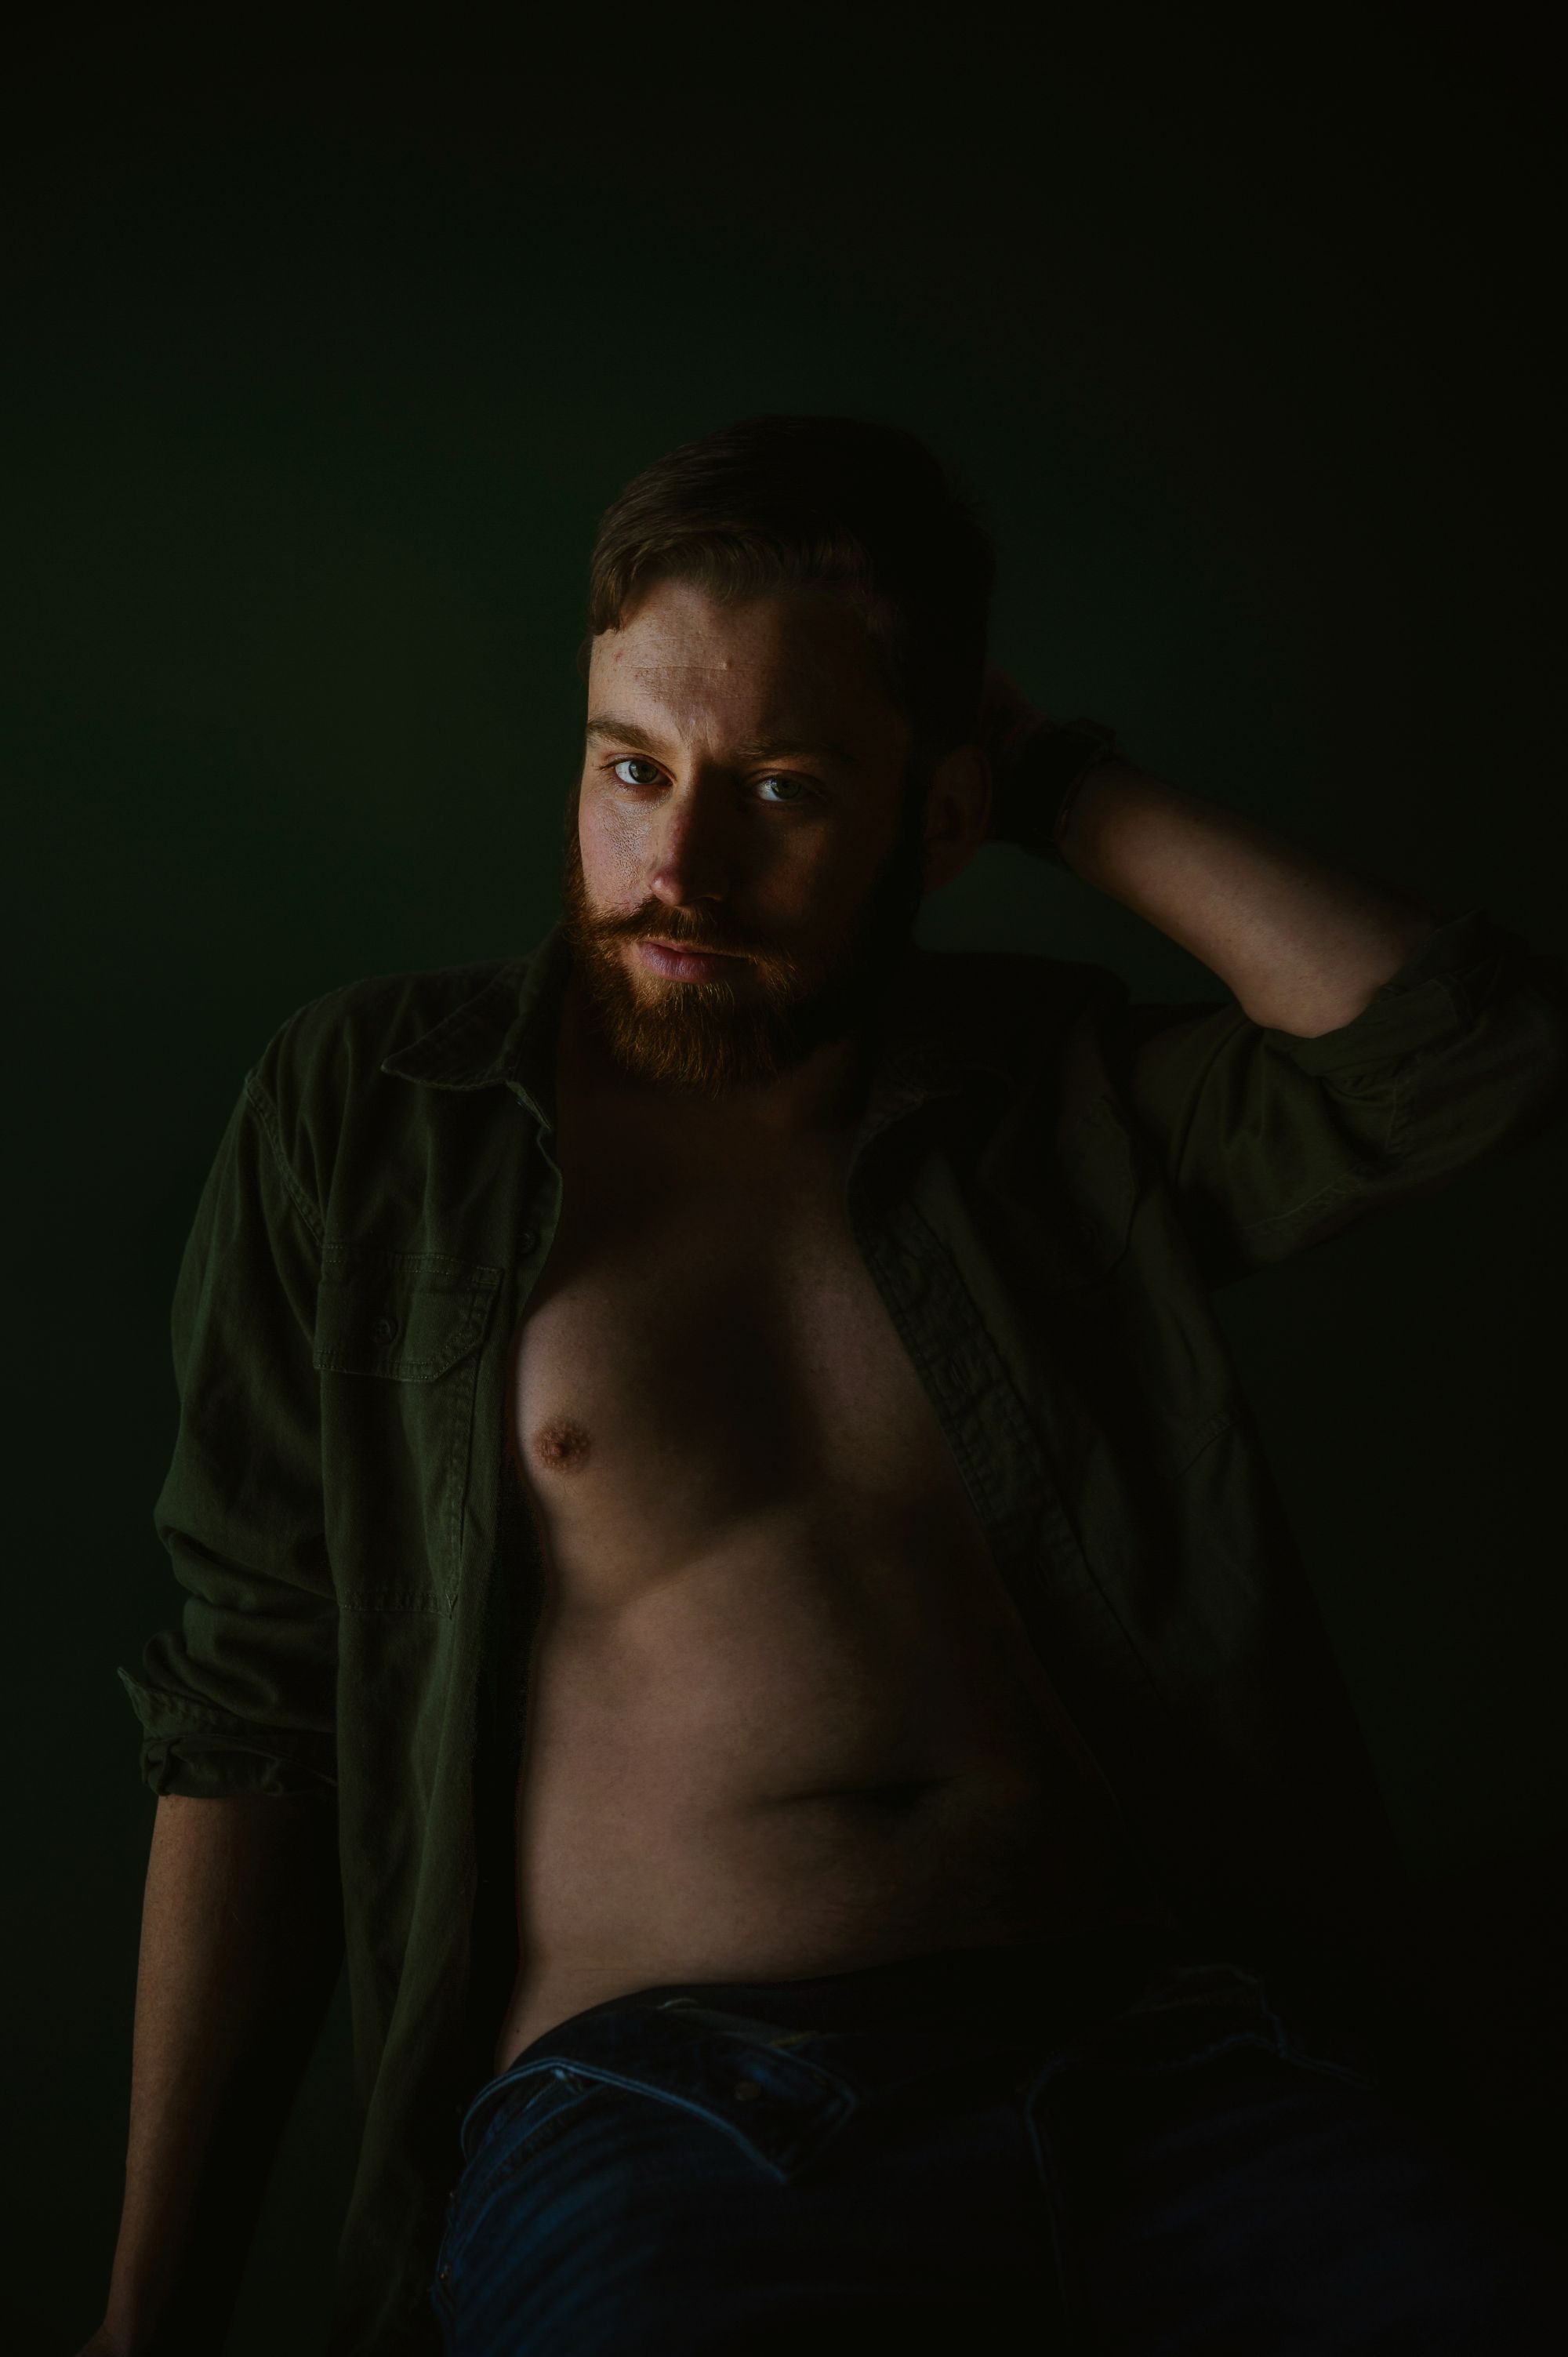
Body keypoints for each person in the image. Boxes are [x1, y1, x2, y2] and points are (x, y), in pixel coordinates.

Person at [95, 415, 1567, 2355]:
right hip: (666, 2114)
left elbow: (1463, 1059)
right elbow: (256, 1711)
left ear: (935, 820)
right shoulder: (378, 1114)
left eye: (782, 790)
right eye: (631, 767)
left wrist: (1061, 783)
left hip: (1174, 2077)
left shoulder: (1050, 1101)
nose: (676, 864)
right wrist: (150, 2318)